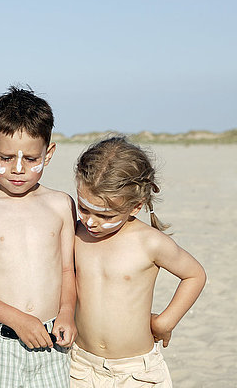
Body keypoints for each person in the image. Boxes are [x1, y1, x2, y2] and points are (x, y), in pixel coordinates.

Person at [0, 86, 77, 388]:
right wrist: (17, 319)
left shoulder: (61, 204)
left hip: (52, 346)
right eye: (7, 157)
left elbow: (67, 270)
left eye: (31, 158)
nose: (18, 169)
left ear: (48, 154)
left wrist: (66, 313)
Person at [70, 136, 206, 387]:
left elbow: (194, 274)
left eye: (105, 215)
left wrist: (166, 321)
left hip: (136, 371)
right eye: (84, 208)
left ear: (135, 206)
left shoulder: (149, 242)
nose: (90, 221)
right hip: (79, 365)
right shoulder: (75, 234)